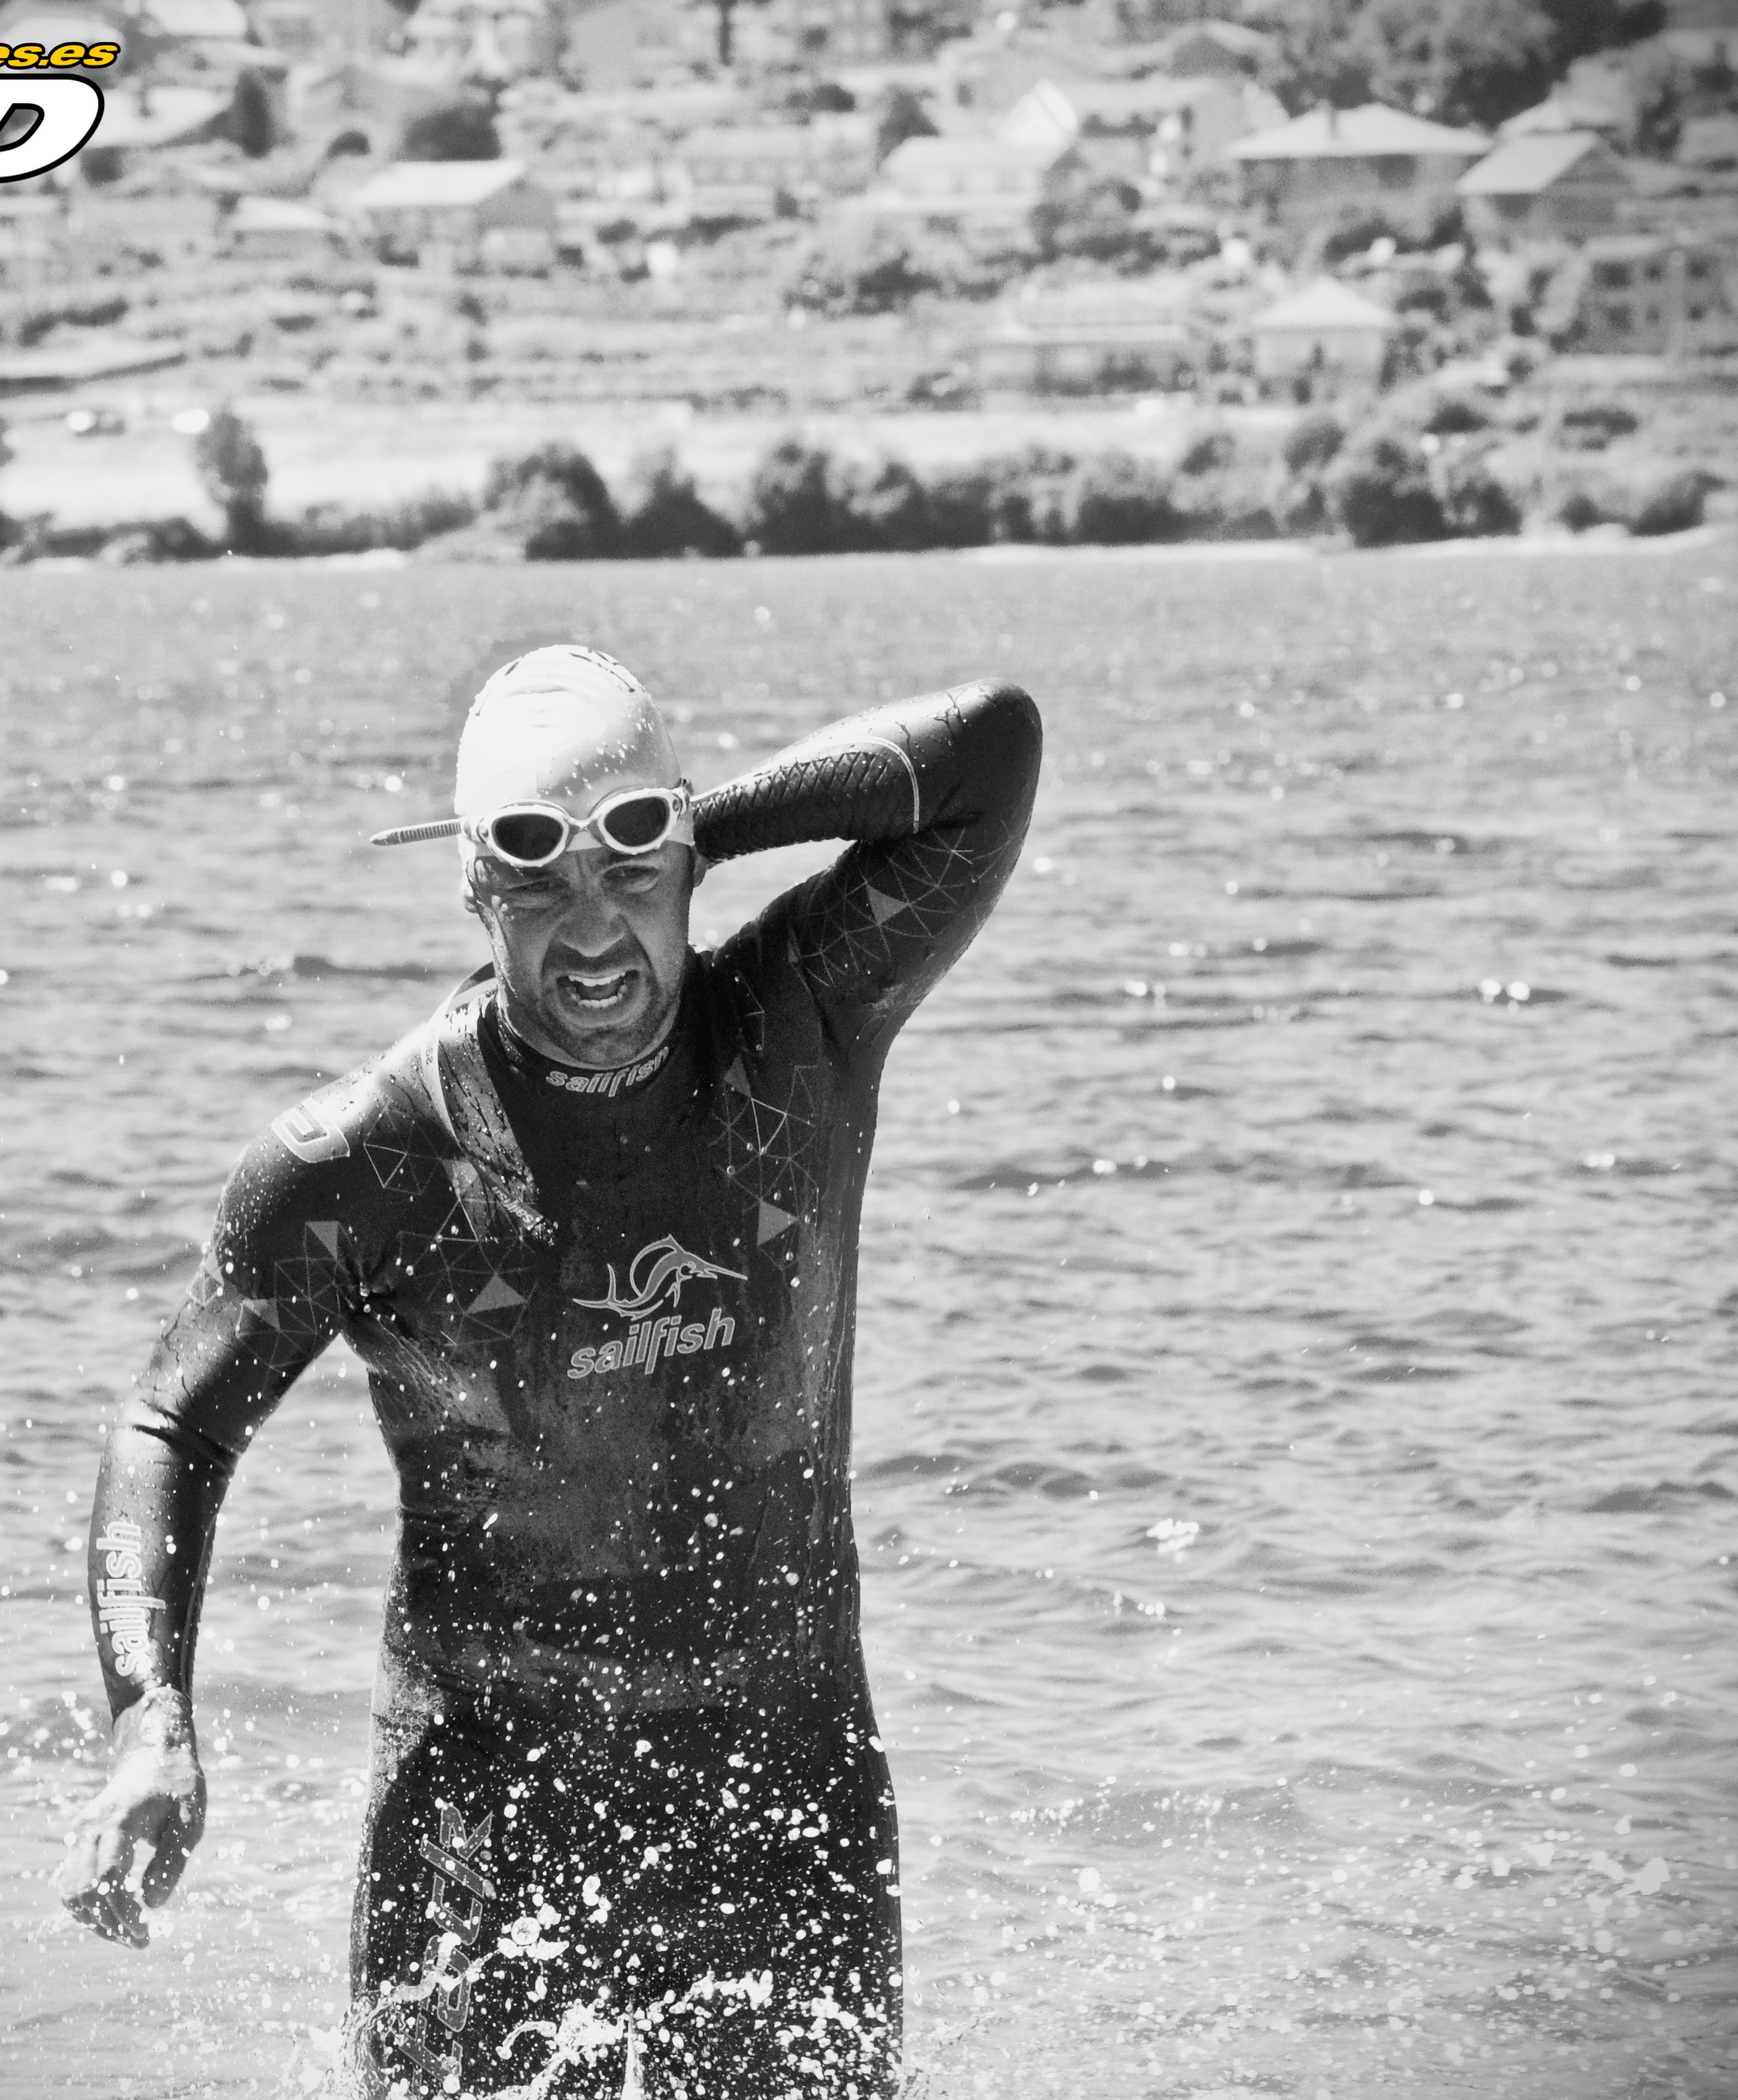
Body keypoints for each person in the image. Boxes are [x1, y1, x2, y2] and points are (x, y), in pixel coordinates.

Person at [58, 644, 1043, 2099]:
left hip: (781, 1802)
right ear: (474, 887)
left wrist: (695, 817)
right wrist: (151, 1716)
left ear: (687, 863)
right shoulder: (370, 1159)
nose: (593, 926)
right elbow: (171, 1422)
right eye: (536, 882)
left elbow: (988, 751)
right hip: (485, 1827)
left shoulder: (802, 1026)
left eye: (633, 870)